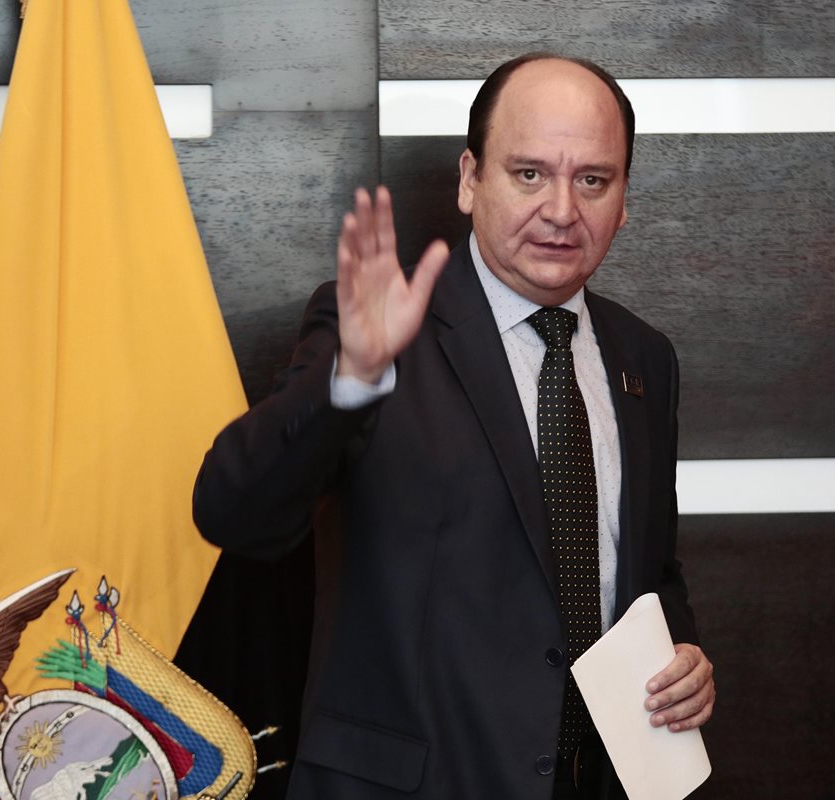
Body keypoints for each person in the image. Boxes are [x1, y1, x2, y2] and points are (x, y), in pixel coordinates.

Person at [194, 53, 714, 800]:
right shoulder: (377, 332)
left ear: (624, 197)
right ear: (471, 179)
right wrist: (353, 378)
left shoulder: (645, 360)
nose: (563, 210)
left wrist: (682, 650)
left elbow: (647, 573)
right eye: (529, 174)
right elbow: (232, 512)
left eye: (592, 179)